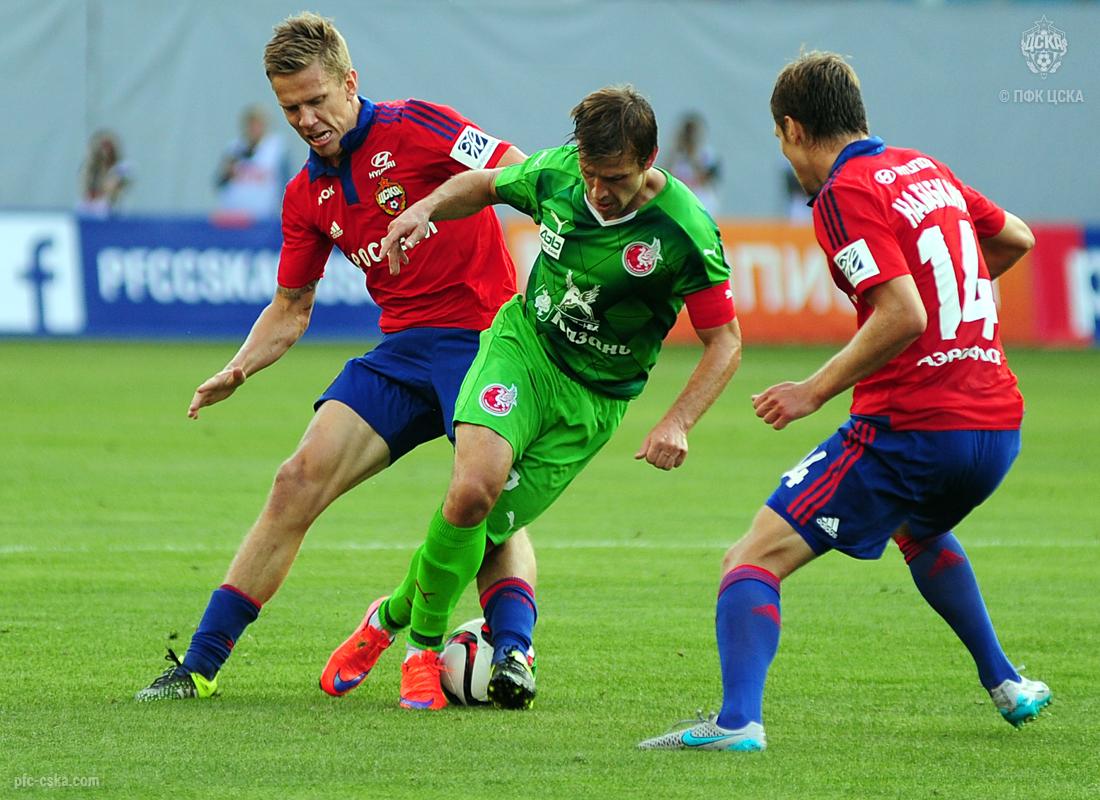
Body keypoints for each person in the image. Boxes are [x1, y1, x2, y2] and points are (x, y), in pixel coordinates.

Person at [639, 51, 1049, 753]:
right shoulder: (925, 169)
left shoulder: (843, 192)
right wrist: (953, 305)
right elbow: (1017, 238)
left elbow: (903, 314)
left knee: (750, 559)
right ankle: (1007, 682)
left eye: (780, 138)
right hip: (997, 427)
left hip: (912, 429)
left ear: (794, 129)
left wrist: (812, 390)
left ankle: (736, 722)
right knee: (918, 527)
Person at [135, 11, 541, 703]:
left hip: (483, 342)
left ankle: (512, 654)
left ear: (350, 83)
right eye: (290, 108)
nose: (306, 119)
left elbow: (516, 169)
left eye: (316, 100)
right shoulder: (306, 194)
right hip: (402, 351)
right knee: (295, 480)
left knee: (483, 499)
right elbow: (291, 306)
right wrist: (239, 366)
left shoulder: (419, 125)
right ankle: (198, 667)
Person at [321, 85, 743, 711]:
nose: (598, 191)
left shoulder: (684, 230)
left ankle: (388, 618)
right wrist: (426, 208)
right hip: (523, 350)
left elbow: (725, 342)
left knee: (487, 529)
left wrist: (678, 421)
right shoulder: (558, 173)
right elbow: (486, 184)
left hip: (593, 399)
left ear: (650, 160)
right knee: (471, 491)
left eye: (615, 178)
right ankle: (422, 653)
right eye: (591, 174)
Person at [214, 104, 290, 220]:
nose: (254, 128)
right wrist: (227, 172)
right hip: (235, 217)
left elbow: (286, 183)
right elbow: (219, 183)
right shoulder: (234, 149)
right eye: (251, 124)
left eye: (257, 124)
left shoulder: (276, 149)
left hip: (264, 218)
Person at [663, 112, 722, 216]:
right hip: (681, 206)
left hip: (702, 204)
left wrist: (692, 156)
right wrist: (674, 151)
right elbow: (665, 178)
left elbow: (706, 180)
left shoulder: (708, 155)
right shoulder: (676, 156)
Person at [77, 130, 132, 217]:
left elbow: (112, 187)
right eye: (103, 146)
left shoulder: (120, 168)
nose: (105, 151)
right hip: (90, 203)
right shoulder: (90, 167)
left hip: (109, 205)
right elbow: (85, 184)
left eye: (108, 146)